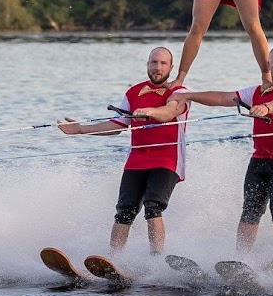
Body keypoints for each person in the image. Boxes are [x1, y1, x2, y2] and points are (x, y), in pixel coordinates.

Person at [172, 45, 273, 260]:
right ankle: (242, 259)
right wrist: (189, 95)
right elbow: (222, 98)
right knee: (250, 211)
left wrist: (266, 108)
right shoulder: (255, 92)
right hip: (260, 159)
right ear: (268, 65)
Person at [57, 47, 189, 256]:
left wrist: (149, 112)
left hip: (167, 160)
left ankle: (157, 261)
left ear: (171, 68)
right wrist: (81, 129)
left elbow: (169, 112)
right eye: (153, 62)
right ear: (147, 65)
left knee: (153, 206)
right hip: (136, 160)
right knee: (124, 211)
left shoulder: (180, 92)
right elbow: (118, 125)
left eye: (163, 63)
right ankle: (113, 260)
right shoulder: (133, 92)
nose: (158, 67)